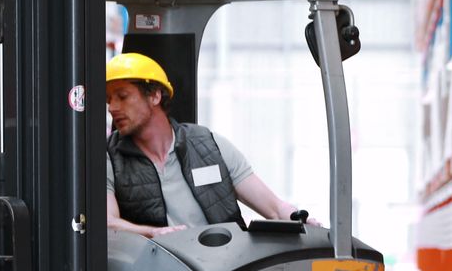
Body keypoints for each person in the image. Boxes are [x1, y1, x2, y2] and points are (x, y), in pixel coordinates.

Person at [105, 52, 315, 238]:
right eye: (108, 100)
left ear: (155, 95)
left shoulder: (209, 145)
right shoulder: (108, 157)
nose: (112, 108)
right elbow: (108, 223)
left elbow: (275, 209)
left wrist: (302, 221)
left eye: (122, 97)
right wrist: (152, 233)